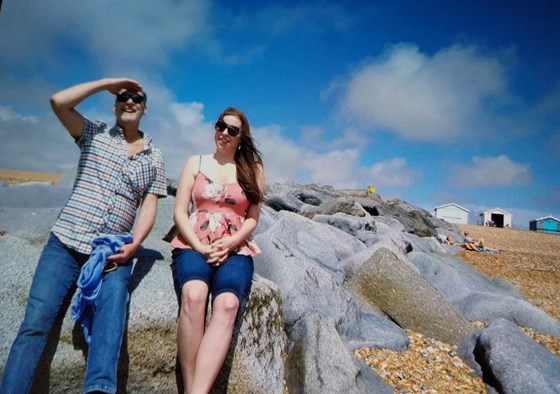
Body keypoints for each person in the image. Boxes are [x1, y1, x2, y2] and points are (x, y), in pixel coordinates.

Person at [0, 78, 167, 394]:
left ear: (145, 108)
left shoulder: (154, 156)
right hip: (64, 243)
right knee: (35, 327)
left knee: (110, 325)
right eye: (122, 97)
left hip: (111, 252)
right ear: (115, 104)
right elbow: (58, 102)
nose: (128, 101)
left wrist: (135, 243)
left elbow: (149, 204)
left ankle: (99, 389)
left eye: (135, 97)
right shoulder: (94, 133)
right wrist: (109, 83)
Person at [170, 107, 264, 394]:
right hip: (192, 243)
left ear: (241, 136)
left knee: (227, 305)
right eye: (220, 126)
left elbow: (252, 218)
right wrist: (199, 245)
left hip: (235, 249)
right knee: (194, 295)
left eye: (232, 130)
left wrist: (231, 243)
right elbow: (179, 212)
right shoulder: (195, 163)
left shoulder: (253, 169)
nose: (223, 133)